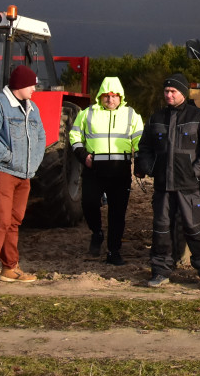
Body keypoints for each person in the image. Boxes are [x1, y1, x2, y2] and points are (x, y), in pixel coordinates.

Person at [135, 73, 200, 290]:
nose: (169, 95)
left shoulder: (199, 117)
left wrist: (196, 170)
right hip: (163, 186)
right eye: (166, 91)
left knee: (195, 229)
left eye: (173, 91)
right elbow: (144, 148)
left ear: (183, 93)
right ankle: (161, 271)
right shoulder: (156, 118)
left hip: (189, 187)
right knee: (161, 229)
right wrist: (151, 168)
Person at [0, 64, 47, 288]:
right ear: (20, 85)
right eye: (32, 85)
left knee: (14, 221)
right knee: (1, 220)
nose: (34, 89)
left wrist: (33, 162)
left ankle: (10, 268)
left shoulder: (32, 108)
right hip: (4, 172)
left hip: (24, 174)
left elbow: (41, 138)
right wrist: (7, 156)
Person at [70, 76, 144, 265]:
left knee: (117, 213)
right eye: (106, 96)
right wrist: (82, 154)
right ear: (100, 97)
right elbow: (75, 135)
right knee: (89, 204)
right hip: (94, 170)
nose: (110, 100)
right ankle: (96, 232)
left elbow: (140, 140)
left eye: (114, 96)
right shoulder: (87, 113)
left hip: (120, 171)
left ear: (121, 97)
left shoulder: (131, 115)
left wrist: (141, 161)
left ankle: (114, 251)